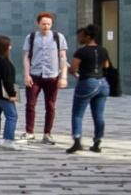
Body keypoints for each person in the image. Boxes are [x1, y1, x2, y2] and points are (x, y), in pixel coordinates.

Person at [22, 12, 68, 145]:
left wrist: (63, 76)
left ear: (51, 24)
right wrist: (26, 74)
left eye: (48, 24)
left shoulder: (58, 37)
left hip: (52, 76)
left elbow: (63, 57)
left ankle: (47, 133)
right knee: (30, 104)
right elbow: (26, 57)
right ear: (38, 24)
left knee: (51, 106)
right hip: (35, 75)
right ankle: (29, 132)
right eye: (43, 24)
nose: (46, 26)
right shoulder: (30, 37)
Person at [66, 23, 111, 154]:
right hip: (103, 83)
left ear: (87, 36)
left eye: (81, 36)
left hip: (87, 82)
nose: (79, 39)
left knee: (78, 114)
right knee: (98, 115)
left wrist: (73, 71)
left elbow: (73, 68)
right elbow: (107, 65)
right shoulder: (103, 50)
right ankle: (97, 143)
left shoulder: (81, 51)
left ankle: (77, 141)